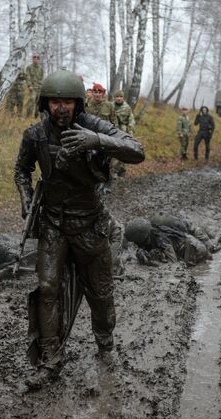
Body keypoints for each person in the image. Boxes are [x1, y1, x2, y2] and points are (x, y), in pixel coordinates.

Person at [14, 69, 145, 389]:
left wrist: (97, 140)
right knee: (46, 289)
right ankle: (50, 360)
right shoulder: (35, 135)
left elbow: (137, 150)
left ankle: (105, 343)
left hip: (90, 224)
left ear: (79, 104)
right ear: (46, 103)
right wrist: (26, 197)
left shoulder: (92, 125)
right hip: (52, 223)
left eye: (68, 102)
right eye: (55, 101)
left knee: (100, 293)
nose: (62, 108)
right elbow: (21, 169)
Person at [124, 214, 212, 266]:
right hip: (189, 243)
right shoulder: (152, 232)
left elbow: (172, 263)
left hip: (196, 250)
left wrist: (151, 263)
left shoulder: (161, 241)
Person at [112, 90, 135, 177]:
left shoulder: (127, 107)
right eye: (117, 97)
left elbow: (131, 120)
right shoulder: (111, 106)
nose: (118, 98)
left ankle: (120, 170)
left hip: (123, 131)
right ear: (115, 98)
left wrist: (130, 131)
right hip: (113, 130)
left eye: (120, 97)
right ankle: (113, 170)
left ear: (123, 98)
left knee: (123, 150)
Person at [25, 53, 45, 117]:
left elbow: (42, 78)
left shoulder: (41, 68)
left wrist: (42, 86)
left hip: (39, 88)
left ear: (39, 59)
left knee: (38, 102)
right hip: (32, 88)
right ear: (32, 59)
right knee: (32, 99)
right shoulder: (29, 67)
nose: (36, 59)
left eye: (37, 58)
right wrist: (29, 85)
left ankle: (36, 116)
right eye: (34, 57)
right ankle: (28, 116)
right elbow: (27, 77)